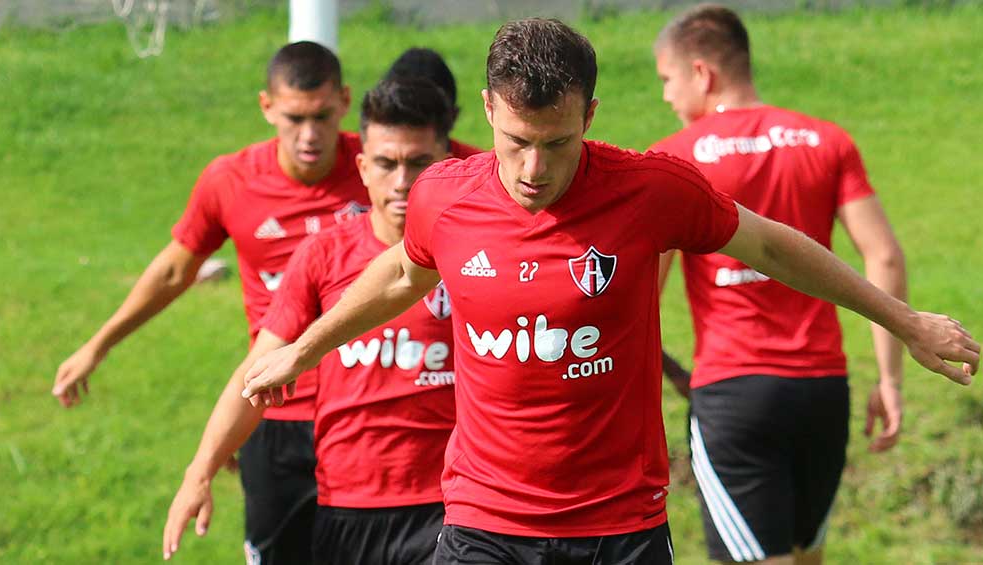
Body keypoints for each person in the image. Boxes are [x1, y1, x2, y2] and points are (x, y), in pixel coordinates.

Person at [239, 18, 978, 565]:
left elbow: (772, 243)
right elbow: (403, 271)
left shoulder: (651, 189)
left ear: (589, 118)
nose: (533, 168)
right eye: (518, 141)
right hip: (483, 518)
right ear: (491, 112)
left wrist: (903, 320)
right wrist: (302, 349)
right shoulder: (444, 197)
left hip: (618, 524)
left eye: (556, 144)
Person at [53, 41, 369, 564]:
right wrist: (98, 345)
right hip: (273, 414)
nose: (309, 134)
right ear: (267, 106)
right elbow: (177, 269)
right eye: (294, 117)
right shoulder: (232, 180)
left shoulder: (384, 168)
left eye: (321, 116)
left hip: (367, 413)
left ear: (344, 101)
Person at [648, 5, 912, 563]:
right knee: (804, 556)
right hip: (823, 390)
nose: (667, 98)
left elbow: (644, 291)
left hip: (735, 396)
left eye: (667, 80)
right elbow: (883, 256)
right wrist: (890, 379)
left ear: (701, 73)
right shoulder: (826, 140)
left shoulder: (675, 160)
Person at [162, 77, 457, 565]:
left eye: (419, 163)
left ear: (445, 166)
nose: (403, 182)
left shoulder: (471, 254)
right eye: (386, 164)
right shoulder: (322, 254)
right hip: (346, 508)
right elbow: (257, 369)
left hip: (447, 507)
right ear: (362, 167)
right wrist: (201, 470)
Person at [384, 47, 485, 159]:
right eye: (386, 163)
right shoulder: (482, 169)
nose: (402, 176)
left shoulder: (481, 171)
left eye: (419, 161)